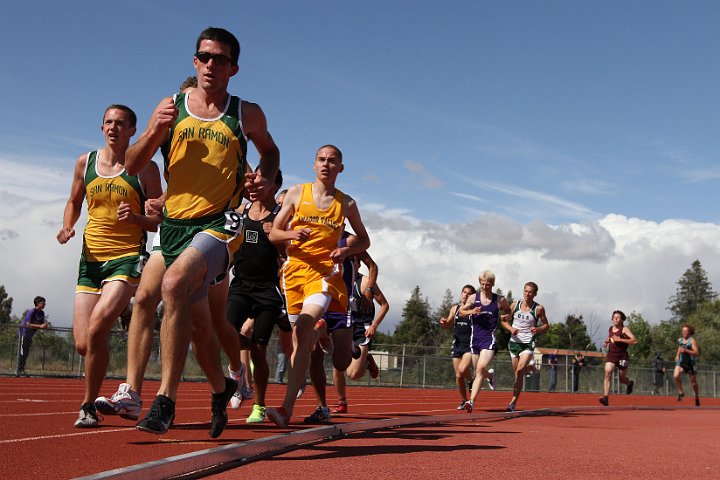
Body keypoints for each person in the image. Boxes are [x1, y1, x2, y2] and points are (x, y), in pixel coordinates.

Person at [126, 27, 280, 438]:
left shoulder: (246, 113)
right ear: (194, 62)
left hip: (221, 222)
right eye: (205, 57)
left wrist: (265, 181)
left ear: (234, 68)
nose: (212, 65)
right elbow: (132, 164)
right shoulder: (171, 106)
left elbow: (271, 153)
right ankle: (222, 386)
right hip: (175, 223)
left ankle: (164, 400)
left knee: (171, 286)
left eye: (221, 59)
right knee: (197, 328)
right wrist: (152, 131)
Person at [95, 75, 251, 424]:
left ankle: (211, 385)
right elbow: (172, 180)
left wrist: (255, 186)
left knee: (200, 323)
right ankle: (133, 392)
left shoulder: (228, 128)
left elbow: (244, 175)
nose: (191, 110)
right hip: (174, 226)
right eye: (185, 101)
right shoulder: (173, 121)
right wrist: (159, 203)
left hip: (214, 229)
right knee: (147, 299)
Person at [57, 104, 162, 428]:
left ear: (132, 130)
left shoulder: (145, 169)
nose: (113, 128)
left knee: (100, 323)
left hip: (126, 257)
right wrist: (68, 226)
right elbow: (74, 201)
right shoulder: (85, 163)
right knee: (84, 343)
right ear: (102, 127)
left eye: (120, 123)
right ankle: (92, 398)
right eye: (108, 122)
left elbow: (159, 220)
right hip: (90, 261)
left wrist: (136, 218)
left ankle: (87, 405)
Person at [266, 144, 370, 427]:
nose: (326, 164)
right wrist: (292, 233)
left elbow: (364, 240)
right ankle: (321, 339)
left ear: (340, 168)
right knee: (302, 342)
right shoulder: (297, 193)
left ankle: (286, 408)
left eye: (332, 160)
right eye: (321, 160)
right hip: (293, 275)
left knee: (304, 329)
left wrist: (346, 252)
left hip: (325, 276)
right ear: (314, 165)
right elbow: (274, 234)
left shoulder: (346, 203)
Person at [226, 169, 293, 423]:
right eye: (253, 179)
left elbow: (289, 256)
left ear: (275, 185)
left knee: (259, 350)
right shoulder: (241, 211)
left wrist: (276, 238)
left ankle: (259, 406)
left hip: (267, 289)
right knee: (227, 331)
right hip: (241, 285)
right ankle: (239, 376)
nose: (255, 183)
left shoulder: (279, 218)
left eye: (262, 179)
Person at [331, 252, 386, 415]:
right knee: (337, 365)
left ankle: (367, 361)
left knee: (353, 374)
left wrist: (374, 326)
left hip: (363, 331)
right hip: (346, 327)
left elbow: (385, 305)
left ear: (358, 264)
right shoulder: (338, 280)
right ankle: (342, 402)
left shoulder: (365, 283)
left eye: (351, 262)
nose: (347, 265)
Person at [461, 270, 510, 414]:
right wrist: (471, 312)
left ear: (492, 284)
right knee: (479, 372)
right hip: (474, 339)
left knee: (481, 367)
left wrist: (507, 315)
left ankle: (471, 402)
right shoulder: (473, 298)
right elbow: (462, 312)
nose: (484, 287)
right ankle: (490, 376)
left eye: (487, 284)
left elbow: (508, 310)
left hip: (488, 339)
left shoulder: (499, 300)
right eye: (482, 284)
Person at [501, 281, 549, 412]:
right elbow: (504, 321)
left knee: (519, 371)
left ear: (535, 294)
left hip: (528, 343)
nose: (527, 294)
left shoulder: (538, 308)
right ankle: (530, 367)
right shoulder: (515, 305)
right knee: (518, 374)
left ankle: (512, 403)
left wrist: (538, 329)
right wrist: (511, 329)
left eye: (530, 292)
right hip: (514, 342)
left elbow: (546, 325)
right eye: (525, 291)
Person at [439, 284, 476, 409]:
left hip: (469, 346)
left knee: (461, 371)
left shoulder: (474, 310)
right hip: (457, 344)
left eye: (469, 293)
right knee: (459, 376)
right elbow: (448, 324)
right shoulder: (455, 309)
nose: (466, 295)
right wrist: (444, 322)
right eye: (464, 292)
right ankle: (464, 400)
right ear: (461, 294)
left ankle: (471, 381)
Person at [599, 310, 637, 406]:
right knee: (607, 372)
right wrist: (606, 341)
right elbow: (611, 338)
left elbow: (634, 340)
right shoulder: (610, 329)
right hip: (612, 354)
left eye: (618, 317)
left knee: (622, 378)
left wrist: (619, 339)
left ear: (622, 320)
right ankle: (606, 398)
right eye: (614, 317)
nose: (615, 319)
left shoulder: (624, 329)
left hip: (622, 356)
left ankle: (629, 384)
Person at [17, 296, 49, 374]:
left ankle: (22, 370)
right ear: (38, 303)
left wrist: (44, 326)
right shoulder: (32, 311)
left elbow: (40, 324)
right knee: (22, 352)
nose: (45, 304)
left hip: (30, 335)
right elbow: (28, 324)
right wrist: (40, 326)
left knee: (26, 353)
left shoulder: (42, 313)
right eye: (43, 303)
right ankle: (18, 371)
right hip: (23, 334)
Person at [673, 324, 700, 406]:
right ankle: (681, 392)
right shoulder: (680, 340)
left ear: (690, 332)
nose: (684, 332)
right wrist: (677, 355)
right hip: (682, 362)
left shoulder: (692, 341)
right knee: (676, 376)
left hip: (690, 363)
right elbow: (680, 347)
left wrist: (686, 350)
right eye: (683, 331)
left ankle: (697, 396)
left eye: (686, 331)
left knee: (694, 383)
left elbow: (696, 353)